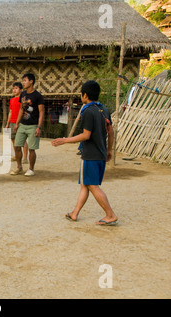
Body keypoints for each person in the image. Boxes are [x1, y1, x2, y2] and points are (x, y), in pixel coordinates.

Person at [51, 80, 118, 226]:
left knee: (92, 185)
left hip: (90, 155)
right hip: (100, 153)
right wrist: (109, 150)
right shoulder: (104, 109)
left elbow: (86, 135)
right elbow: (111, 132)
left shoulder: (87, 111)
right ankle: (75, 212)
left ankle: (110, 214)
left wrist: (65, 140)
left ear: (84, 95)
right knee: (85, 184)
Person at [10, 73, 45, 176]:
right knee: (17, 146)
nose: (23, 83)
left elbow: (41, 111)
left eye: (25, 80)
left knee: (31, 148)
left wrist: (39, 127)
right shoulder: (23, 94)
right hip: (23, 124)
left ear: (31, 81)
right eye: (23, 81)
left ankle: (31, 169)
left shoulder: (38, 96)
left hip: (33, 125)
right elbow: (21, 109)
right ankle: (19, 167)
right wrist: (17, 123)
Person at [5, 82, 28, 163]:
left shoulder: (22, 100)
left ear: (21, 90)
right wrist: (7, 123)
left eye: (16, 88)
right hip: (12, 122)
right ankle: (16, 155)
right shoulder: (11, 100)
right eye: (13, 88)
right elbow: (10, 112)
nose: (14, 90)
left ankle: (25, 158)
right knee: (13, 139)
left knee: (23, 140)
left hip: (21, 122)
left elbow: (25, 111)